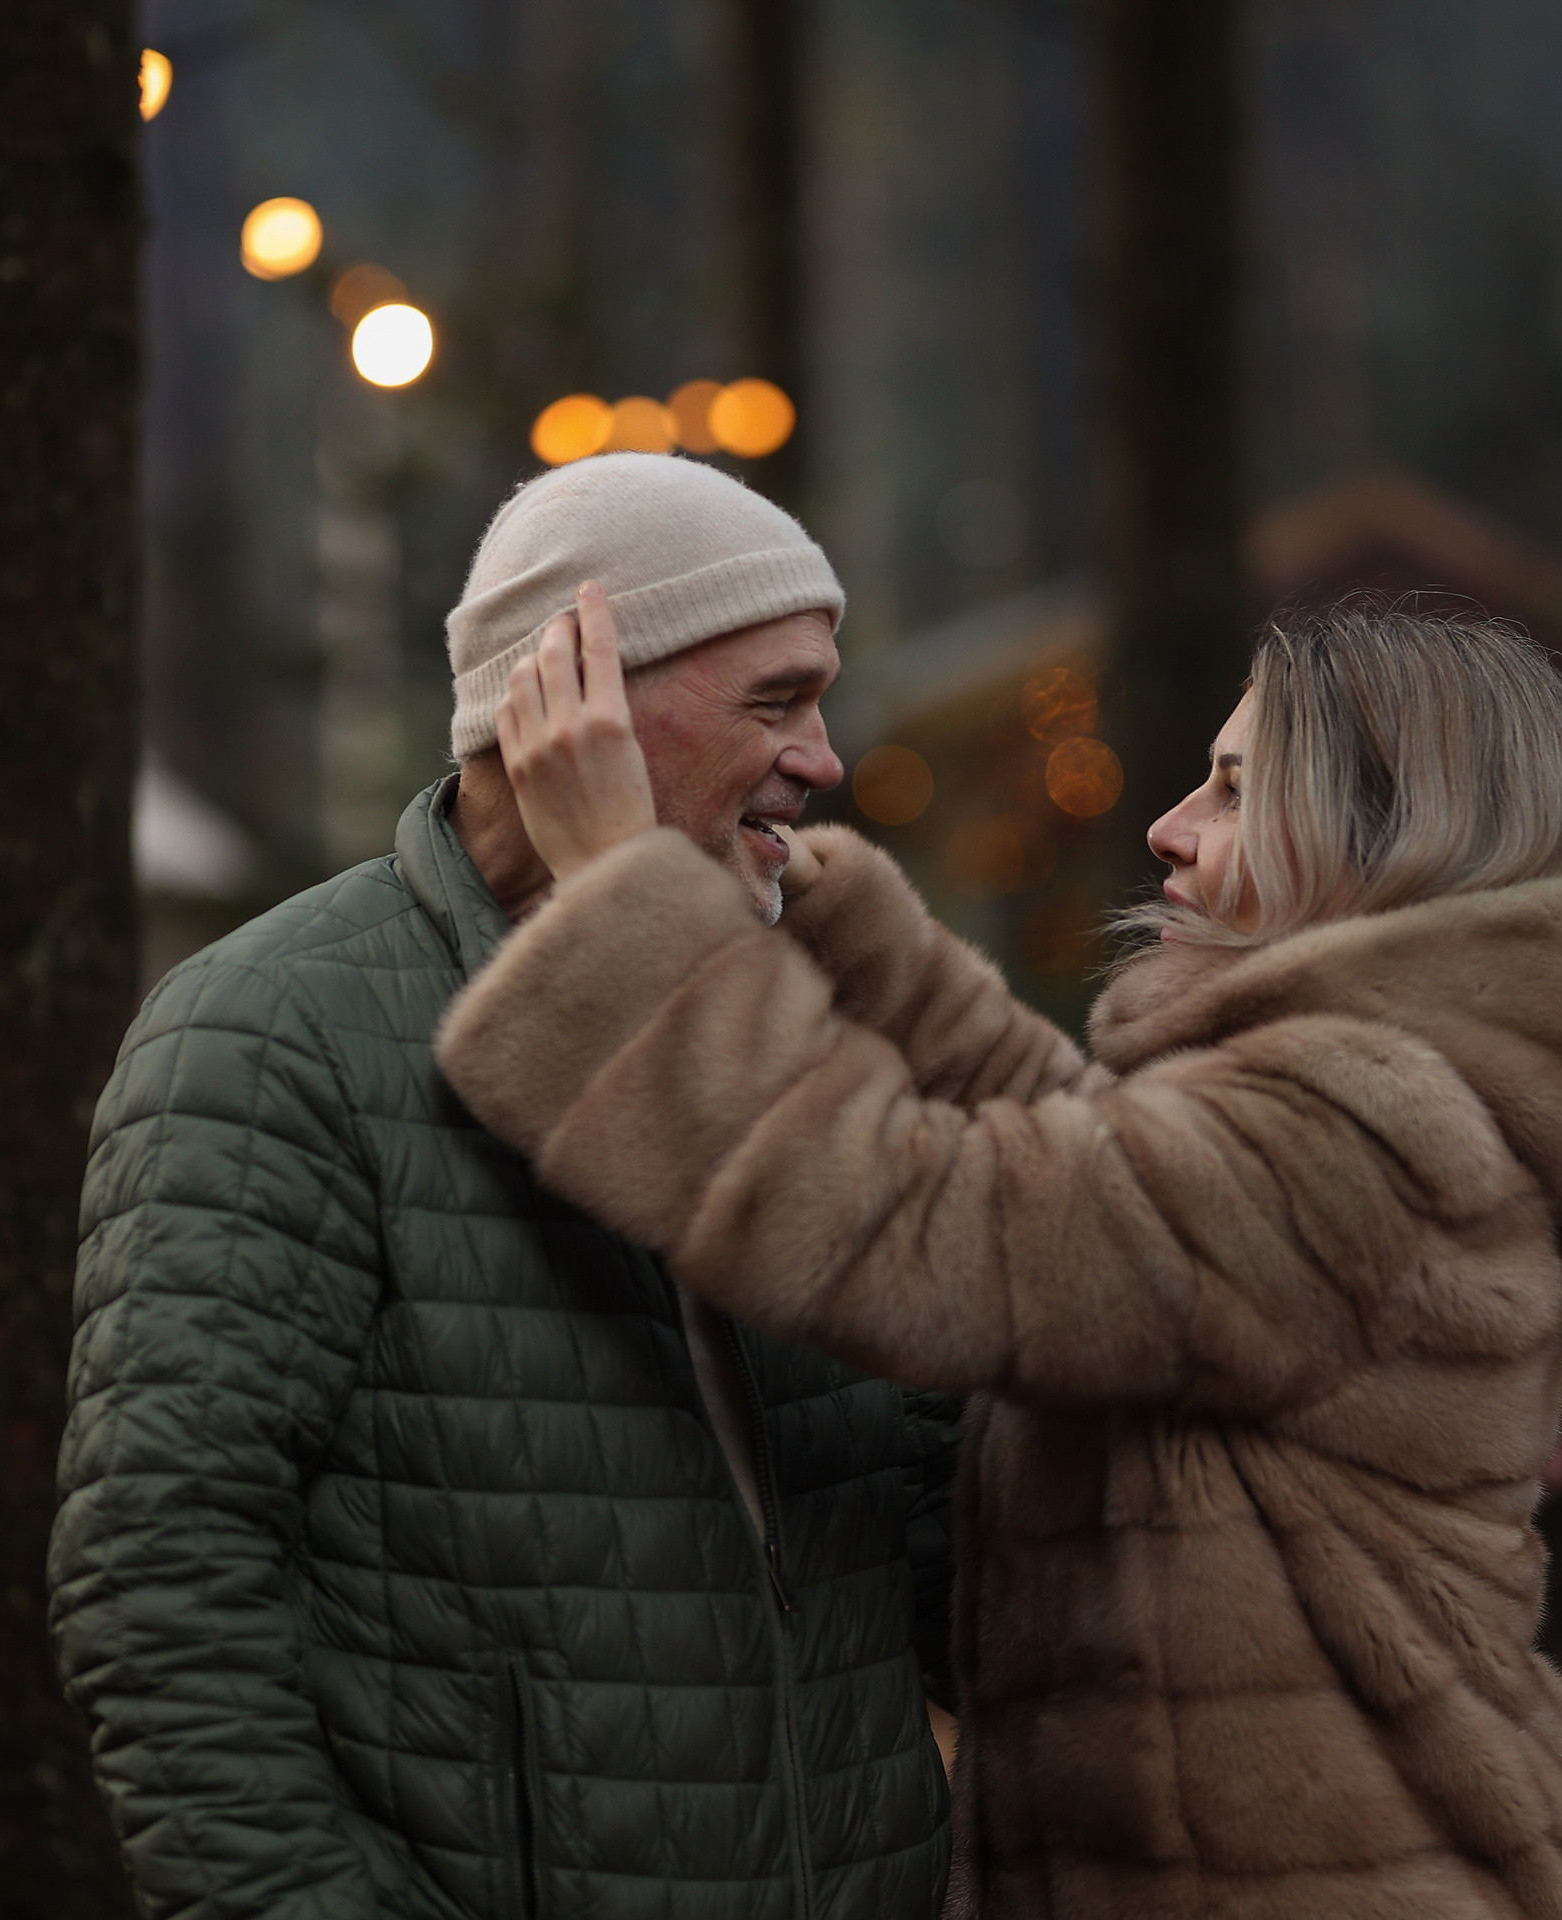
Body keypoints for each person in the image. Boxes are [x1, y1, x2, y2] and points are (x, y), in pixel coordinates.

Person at [436, 597, 1562, 1919]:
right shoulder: (1363, 1106)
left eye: (1233, 787)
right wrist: (857, 945)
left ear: (1384, 841)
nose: (1170, 826)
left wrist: (621, 897)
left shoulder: (1370, 1130)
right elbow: (1098, 1178)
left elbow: (922, 1227)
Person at [49, 454, 961, 1920]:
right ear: (573, 692)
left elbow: (945, 1560)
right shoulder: (276, 1029)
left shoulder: (813, 1021)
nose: (825, 759)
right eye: (776, 701)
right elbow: (161, 1584)